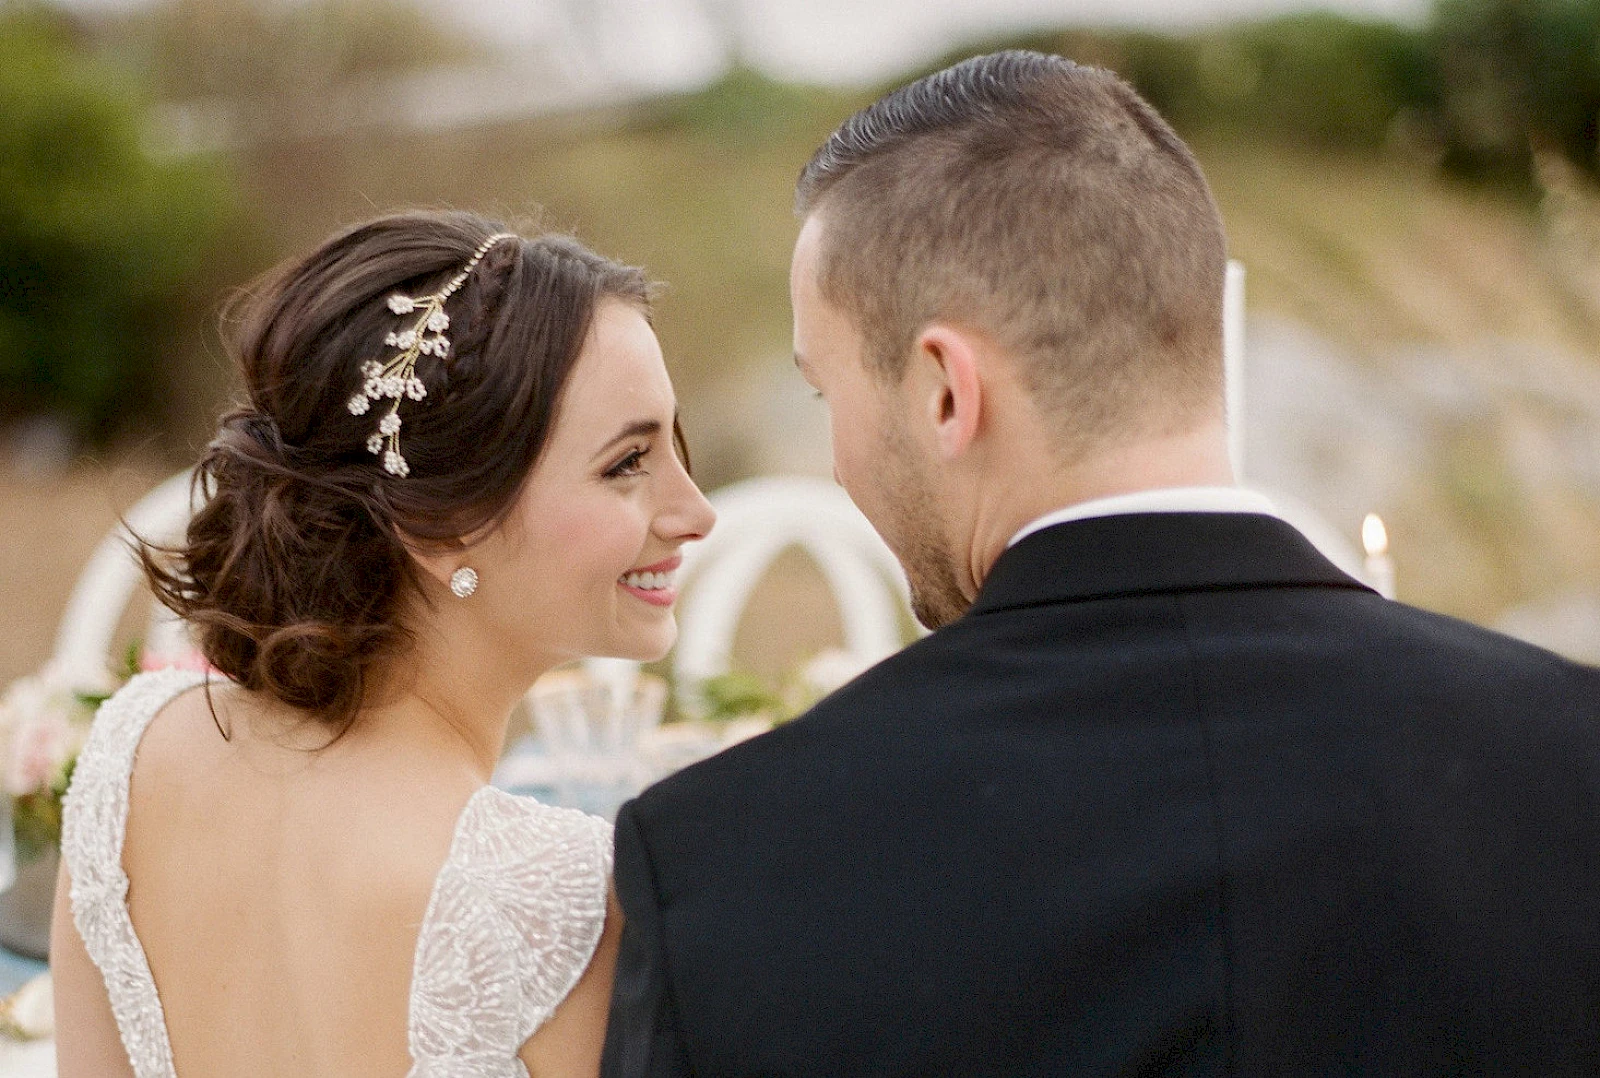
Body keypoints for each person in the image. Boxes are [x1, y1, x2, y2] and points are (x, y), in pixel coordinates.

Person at [602, 51, 1600, 1076]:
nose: (836, 455)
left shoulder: (725, 865)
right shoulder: (1571, 757)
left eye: (828, 394)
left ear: (945, 391)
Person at [50, 210, 715, 1077]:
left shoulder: (132, 758)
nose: (696, 512)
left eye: (676, 446)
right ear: (442, 524)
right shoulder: (556, 903)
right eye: (627, 463)